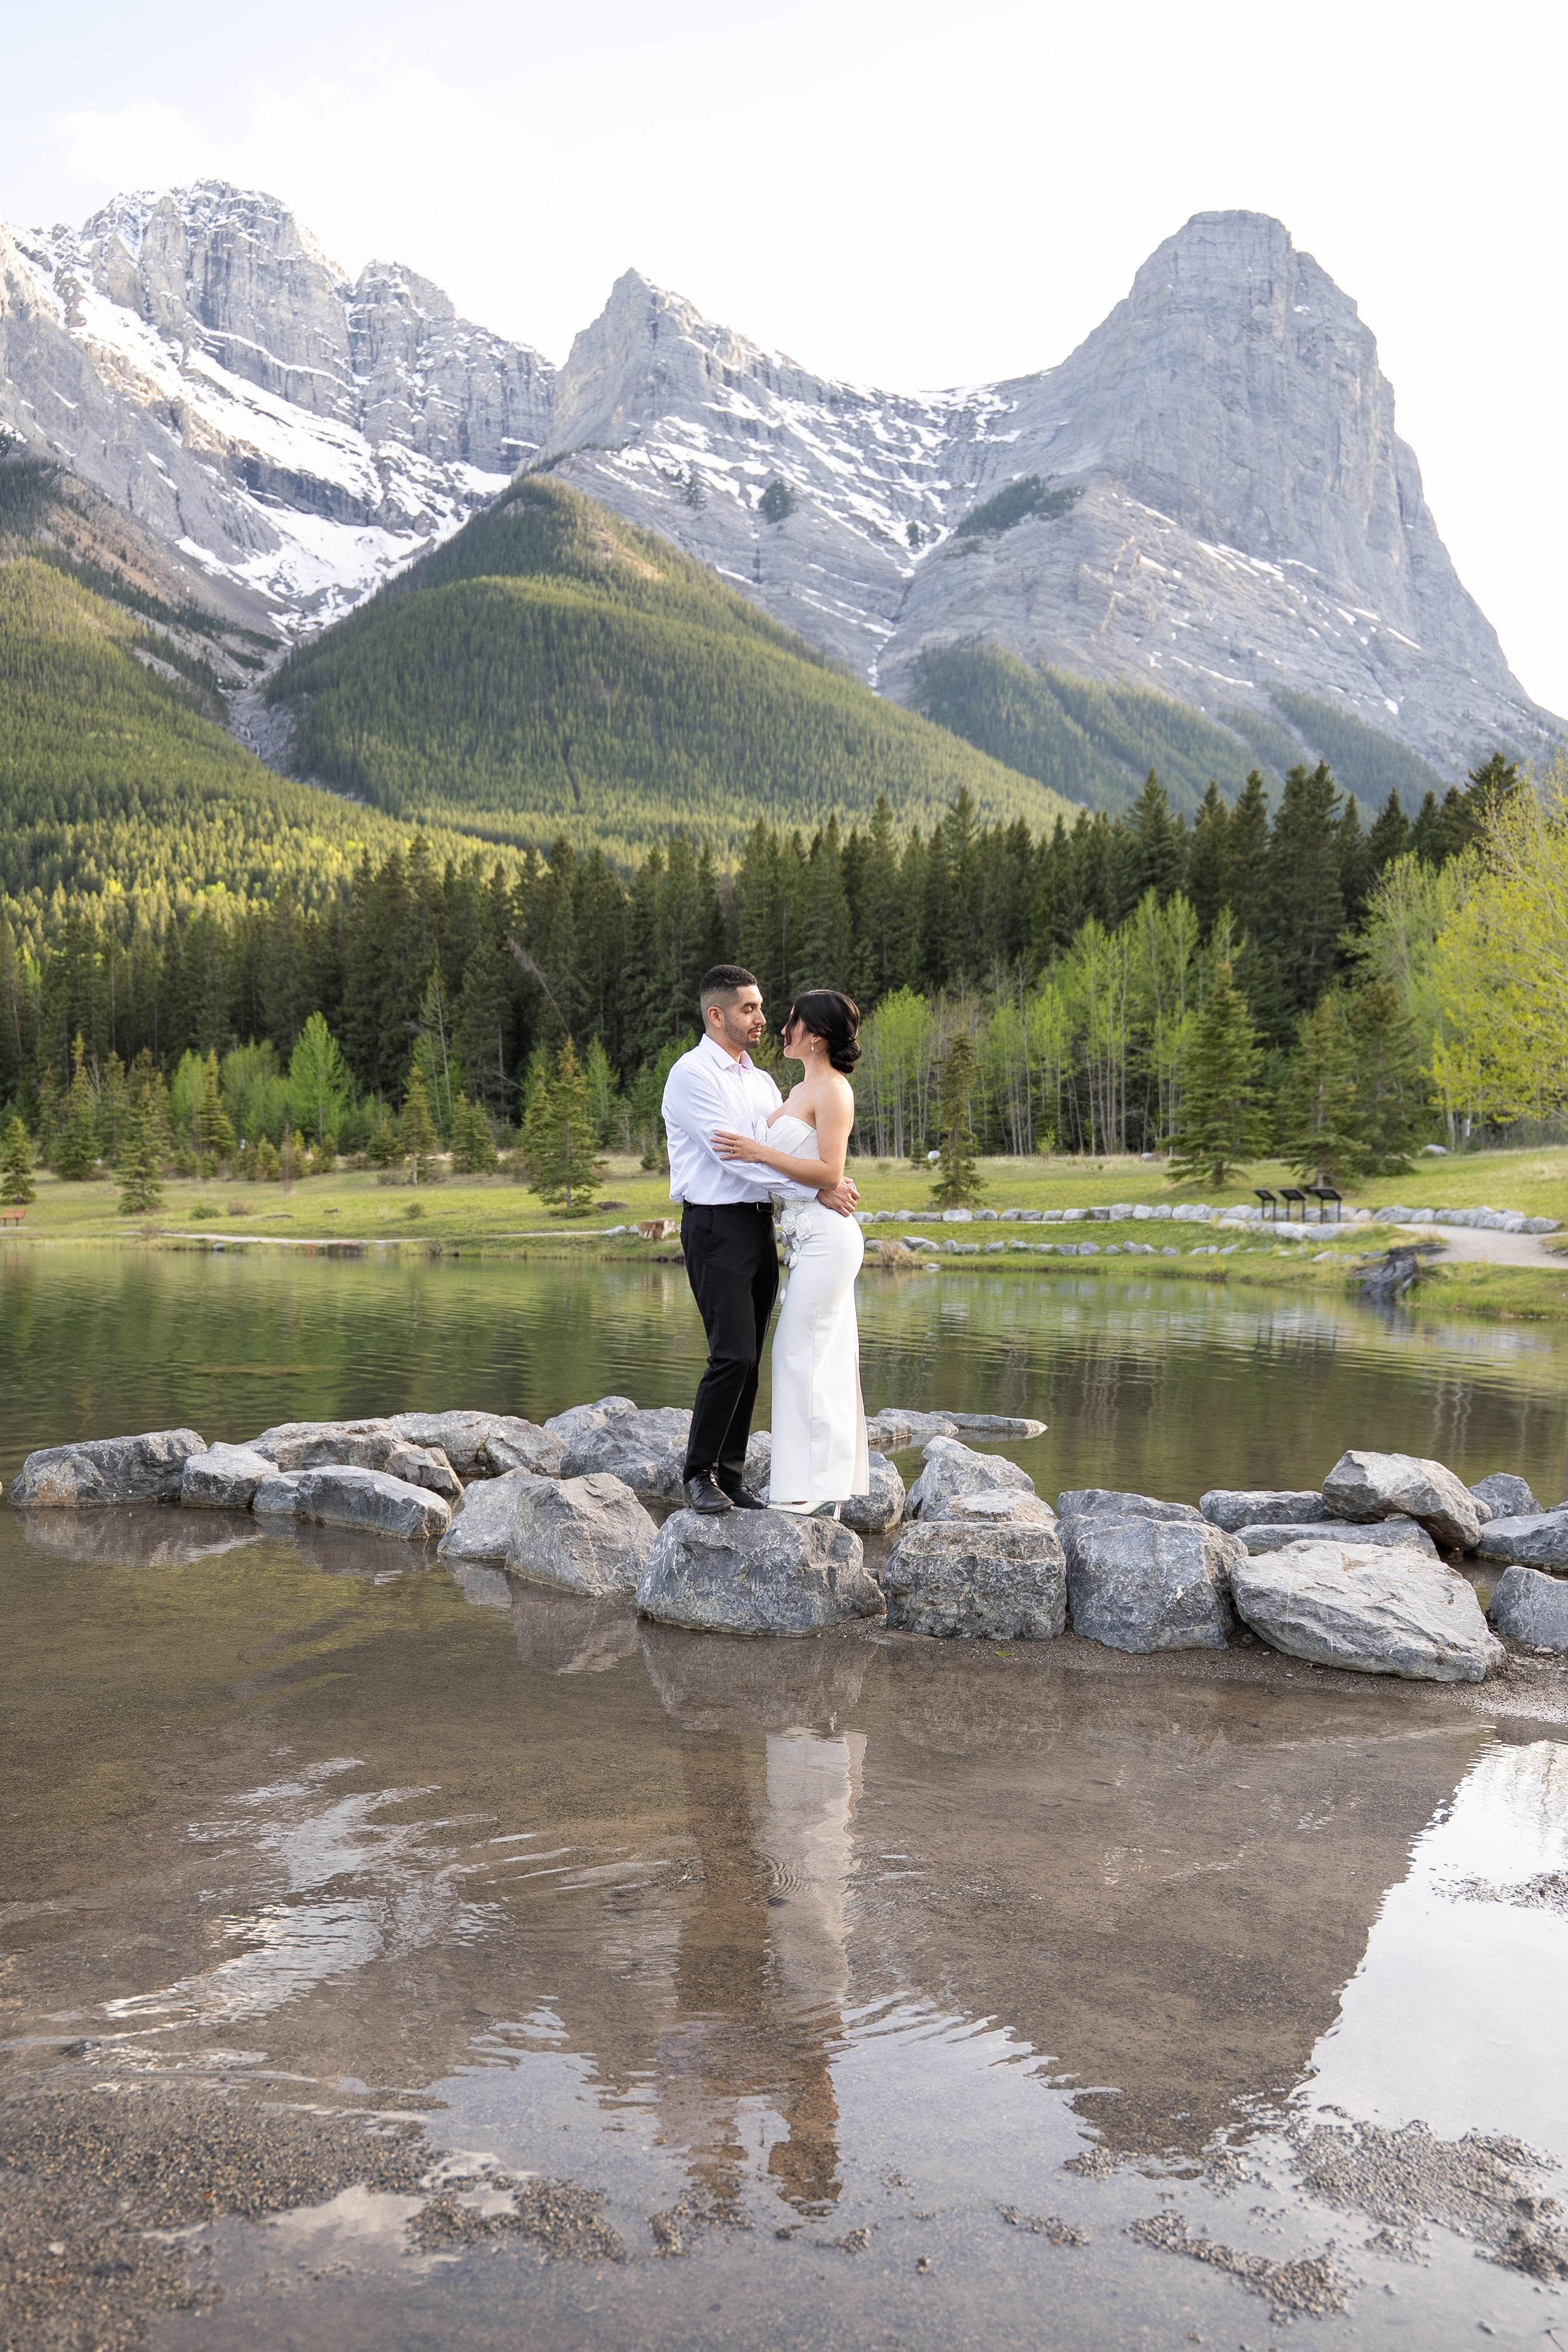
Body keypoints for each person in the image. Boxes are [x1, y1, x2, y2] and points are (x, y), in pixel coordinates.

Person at [662, 967, 859, 1516]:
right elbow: (734, 1156)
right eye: (750, 1009)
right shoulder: (692, 1075)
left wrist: (818, 1182)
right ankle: (697, 1473)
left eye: (763, 1007)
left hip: (758, 1226)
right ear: (716, 1015)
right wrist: (820, 1189)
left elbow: (783, 1152)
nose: (762, 1019)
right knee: (732, 1353)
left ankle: (731, 1475)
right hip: (713, 1225)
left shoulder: (763, 1081)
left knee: (751, 1360)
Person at [713, 989, 870, 1517]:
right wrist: (801, 1175)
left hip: (828, 1239)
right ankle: (820, 1483)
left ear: (817, 1036)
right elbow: (810, 1173)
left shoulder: (833, 1091)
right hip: (805, 1238)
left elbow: (828, 1170)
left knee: (798, 1353)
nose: (782, 1030)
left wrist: (760, 1149)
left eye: (793, 1023)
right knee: (814, 1354)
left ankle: (807, 1489)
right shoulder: (799, 1086)